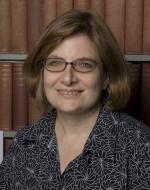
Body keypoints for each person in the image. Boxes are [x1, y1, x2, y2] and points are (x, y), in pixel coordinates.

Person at [0, 10, 150, 190]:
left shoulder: (141, 147)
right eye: (55, 63)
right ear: (42, 72)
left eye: (84, 65)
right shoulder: (24, 143)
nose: (68, 78)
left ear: (106, 77)